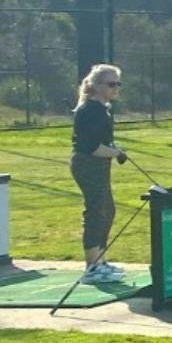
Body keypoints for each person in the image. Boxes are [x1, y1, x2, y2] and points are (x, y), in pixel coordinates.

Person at [70, 63, 128, 282]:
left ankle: (100, 260)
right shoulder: (90, 110)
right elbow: (93, 147)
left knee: (108, 210)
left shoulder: (102, 109)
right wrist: (115, 152)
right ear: (96, 85)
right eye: (111, 84)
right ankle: (92, 265)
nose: (116, 88)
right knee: (97, 210)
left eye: (118, 83)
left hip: (98, 164)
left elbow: (102, 144)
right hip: (87, 164)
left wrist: (115, 151)